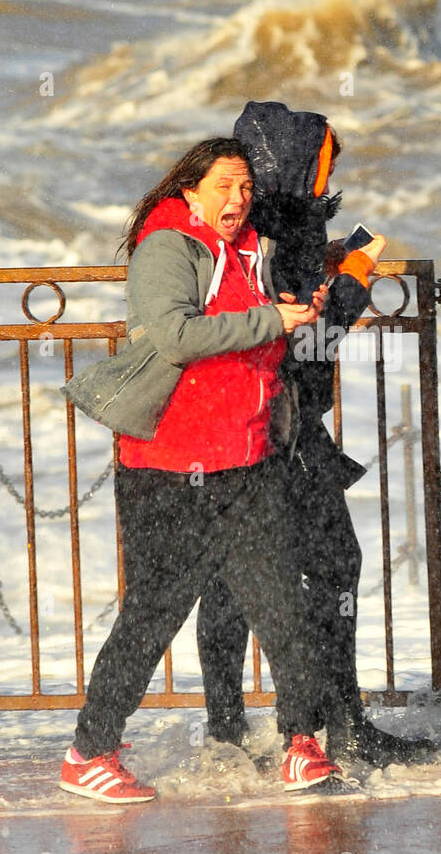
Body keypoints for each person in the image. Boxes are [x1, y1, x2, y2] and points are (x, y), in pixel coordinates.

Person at [58, 137, 347, 803]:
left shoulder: (250, 253)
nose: (238, 199)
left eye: (245, 188)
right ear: (187, 192)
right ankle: (89, 751)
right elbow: (175, 336)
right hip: (168, 464)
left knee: (282, 603)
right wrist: (270, 318)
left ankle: (301, 744)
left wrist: (306, 305)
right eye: (223, 186)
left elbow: (259, 336)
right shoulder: (167, 247)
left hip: (245, 457)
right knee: (154, 613)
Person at [197, 102, 434, 768]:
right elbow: (309, 346)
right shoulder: (283, 237)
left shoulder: (245, 232)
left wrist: (324, 263)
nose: (330, 174)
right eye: (324, 159)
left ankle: (226, 738)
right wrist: (355, 277)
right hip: (284, 437)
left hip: (227, 432)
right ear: (297, 164)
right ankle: (342, 727)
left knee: (227, 581)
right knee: (333, 565)